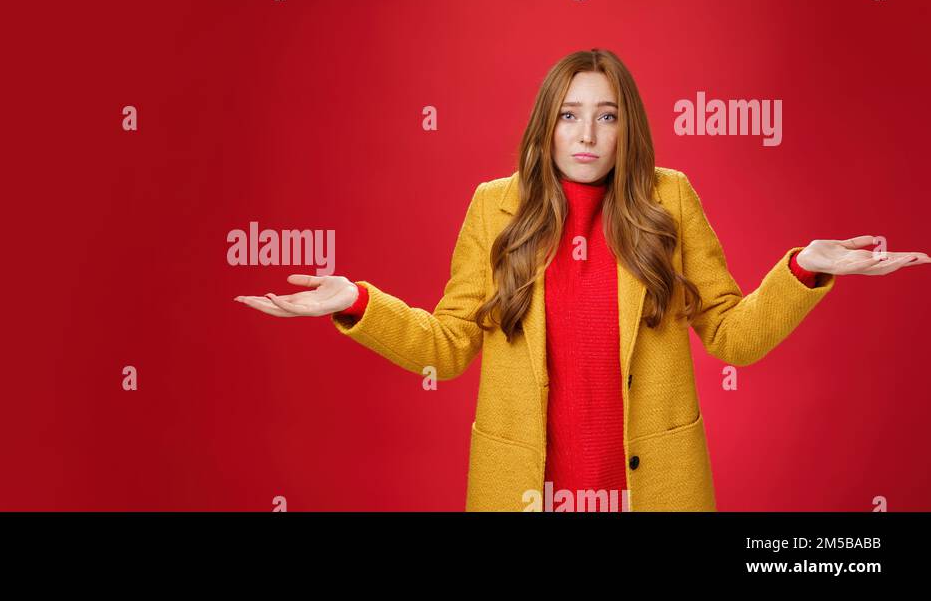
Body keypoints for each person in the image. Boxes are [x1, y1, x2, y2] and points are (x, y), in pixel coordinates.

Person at [234, 48, 928, 511]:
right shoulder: (493, 206)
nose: (587, 133)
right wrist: (357, 301)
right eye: (569, 115)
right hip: (523, 494)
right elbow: (445, 347)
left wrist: (806, 266)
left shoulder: (670, 200)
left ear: (629, 126)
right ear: (547, 127)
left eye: (606, 114)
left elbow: (732, 336)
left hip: (654, 492)